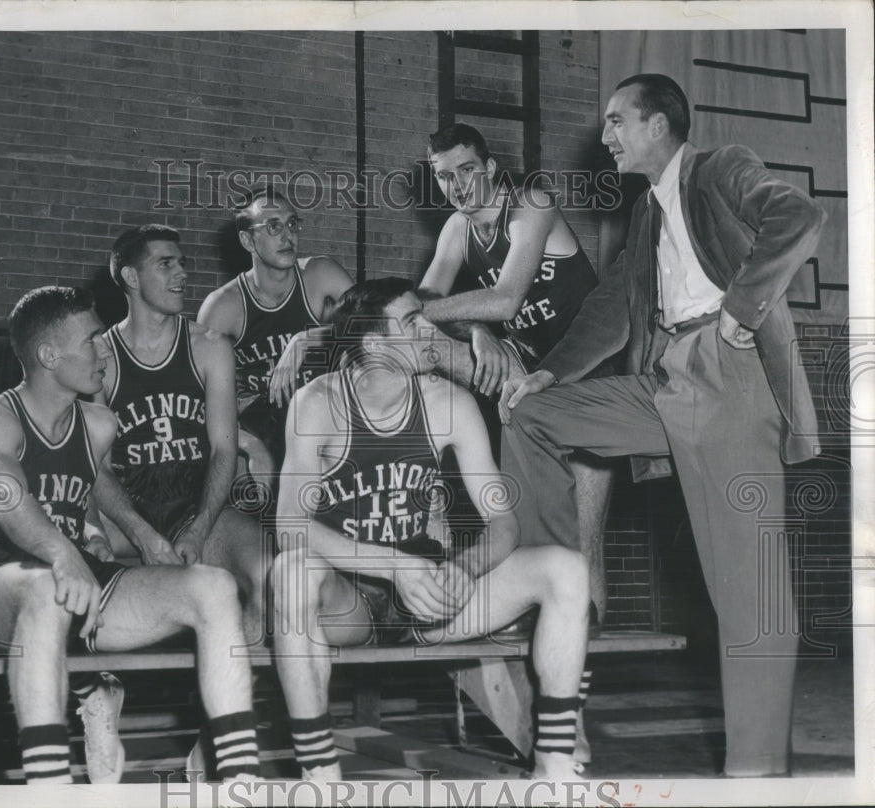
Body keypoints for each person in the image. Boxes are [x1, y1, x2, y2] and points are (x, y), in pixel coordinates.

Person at [500, 74, 825, 777]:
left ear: (658, 125)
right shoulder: (648, 214)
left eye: (617, 120)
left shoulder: (719, 167)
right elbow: (613, 305)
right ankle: (551, 582)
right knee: (534, 416)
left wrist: (742, 308)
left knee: (748, 589)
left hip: (728, 371)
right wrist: (549, 373)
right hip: (667, 378)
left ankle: (758, 773)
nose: (606, 135)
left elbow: (796, 216)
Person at [0, 286, 260, 784]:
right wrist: (64, 552)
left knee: (214, 587)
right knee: (45, 590)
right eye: (91, 341)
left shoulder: (99, 424)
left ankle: (240, 779)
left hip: (77, 580)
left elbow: (79, 486)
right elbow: (10, 499)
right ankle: (52, 786)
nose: (105, 349)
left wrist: (96, 532)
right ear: (48, 355)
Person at [271, 278, 590, 782]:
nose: (429, 329)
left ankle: (554, 763)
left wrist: (465, 566)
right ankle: (320, 776)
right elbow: (290, 524)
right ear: (375, 344)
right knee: (292, 571)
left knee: (565, 569)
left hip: (430, 597)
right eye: (413, 322)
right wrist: (394, 565)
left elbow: (503, 520)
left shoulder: (449, 403)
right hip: (348, 601)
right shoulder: (318, 402)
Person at [419, 122, 617, 625]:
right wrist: (477, 332)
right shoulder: (457, 230)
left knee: (583, 541)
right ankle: (428, 492)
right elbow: (420, 307)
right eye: (444, 177)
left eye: (467, 171)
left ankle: (582, 669)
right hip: (528, 373)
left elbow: (505, 299)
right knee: (423, 346)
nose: (458, 186)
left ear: (490, 169)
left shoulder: (531, 204)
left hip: (590, 374)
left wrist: (481, 319)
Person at [97, 224, 268, 643]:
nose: (182, 274)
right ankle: (95, 684)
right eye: (166, 264)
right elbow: (95, 468)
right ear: (131, 278)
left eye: (182, 263)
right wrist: (142, 535)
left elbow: (224, 451)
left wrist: (199, 527)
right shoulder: (100, 355)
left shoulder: (210, 346)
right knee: (65, 560)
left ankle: (247, 691)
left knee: (267, 571)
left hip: (194, 507)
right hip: (126, 511)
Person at [197, 186, 354, 497]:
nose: (288, 236)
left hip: (320, 416)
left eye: (292, 223)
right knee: (232, 466)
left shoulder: (321, 274)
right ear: (247, 240)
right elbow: (198, 406)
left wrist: (307, 338)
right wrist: (251, 446)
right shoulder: (222, 307)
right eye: (273, 226)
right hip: (259, 428)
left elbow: (376, 324)